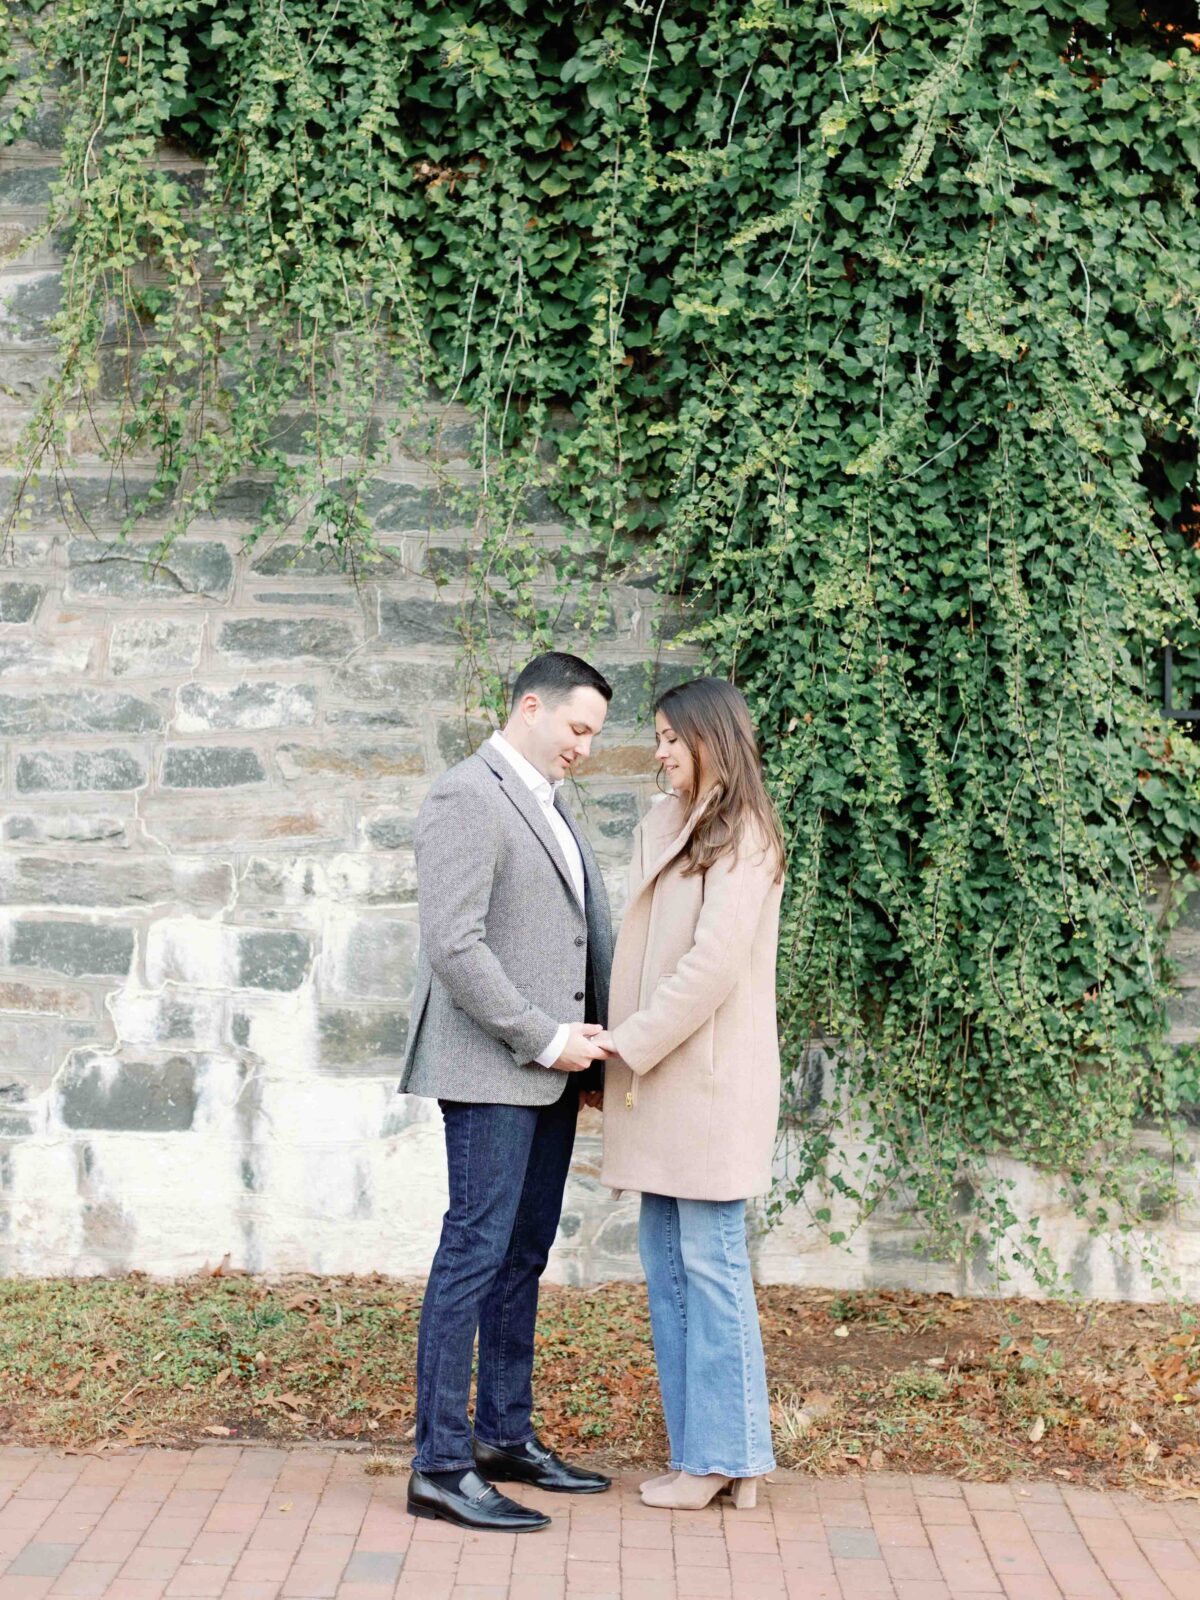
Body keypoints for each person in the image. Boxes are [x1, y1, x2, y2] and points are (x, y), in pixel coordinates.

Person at [399, 652, 616, 1532]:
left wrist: (588, 1053)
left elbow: (570, 935)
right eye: (577, 728)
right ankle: (440, 1466)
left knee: (522, 1255)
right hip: (496, 1067)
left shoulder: (549, 802)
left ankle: (502, 1437)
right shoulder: (466, 795)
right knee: (475, 1253)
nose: (585, 749)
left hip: (553, 1073)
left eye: (594, 735)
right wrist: (546, 1037)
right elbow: (455, 946)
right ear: (531, 706)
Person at [592, 677, 786, 1511]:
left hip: (703, 1084)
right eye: (659, 736)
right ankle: (701, 1454)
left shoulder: (745, 835)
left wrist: (625, 1045)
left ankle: (729, 1456)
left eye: (673, 737)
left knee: (708, 1266)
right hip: (660, 1085)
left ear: (713, 738)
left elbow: (709, 968)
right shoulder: (669, 826)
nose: (661, 751)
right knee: (668, 1265)